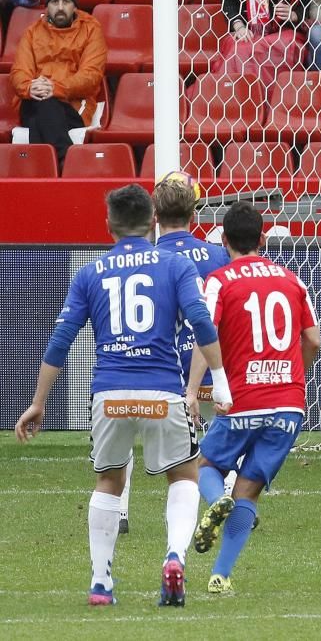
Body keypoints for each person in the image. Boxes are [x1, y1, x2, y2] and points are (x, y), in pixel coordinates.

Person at [14, 184, 233, 607]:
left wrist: (39, 402)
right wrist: (220, 380)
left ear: (108, 224)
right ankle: (174, 558)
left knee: (109, 480)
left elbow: (60, 340)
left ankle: (100, 582)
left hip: (109, 394)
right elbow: (203, 324)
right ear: (151, 221)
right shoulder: (173, 266)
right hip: (163, 393)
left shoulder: (91, 272)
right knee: (185, 475)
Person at [185, 201, 321, 595]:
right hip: (288, 404)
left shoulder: (220, 280)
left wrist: (194, 390)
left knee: (205, 464)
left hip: (244, 397)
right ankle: (220, 576)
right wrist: (295, 376)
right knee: (250, 490)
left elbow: (205, 334)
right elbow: (312, 339)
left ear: (223, 240)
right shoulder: (292, 280)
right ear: (263, 238)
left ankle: (214, 501)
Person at [116, 178, 232, 536]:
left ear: (154, 215)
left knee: (125, 435)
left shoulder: (142, 258)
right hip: (208, 365)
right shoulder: (217, 255)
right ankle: (224, 496)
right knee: (221, 435)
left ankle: (119, 509)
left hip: (156, 367)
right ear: (194, 213)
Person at [8, 0, 106, 163]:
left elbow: (91, 76)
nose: (60, 7)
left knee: (40, 117)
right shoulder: (32, 32)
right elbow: (19, 72)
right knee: (43, 104)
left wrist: (55, 88)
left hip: (74, 105)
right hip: (35, 100)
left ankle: (50, 168)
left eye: (66, 2)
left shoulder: (91, 29)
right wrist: (30, 88)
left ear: (75, 6)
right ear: (46, 7)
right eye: (54, 2)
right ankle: (67, 160)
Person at [213, 0, 313, 84]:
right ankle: (242, 95)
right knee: (239, 50)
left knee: (287, 45)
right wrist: (239, 26)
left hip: (285, 31)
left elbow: (307, 3)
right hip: (249, 30)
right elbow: (229, 1)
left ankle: (279, 97)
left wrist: (295, 15)